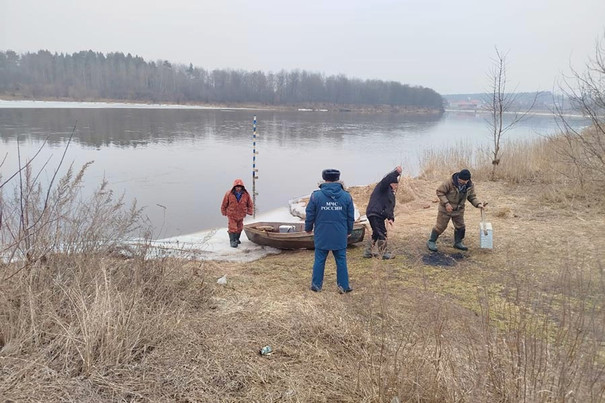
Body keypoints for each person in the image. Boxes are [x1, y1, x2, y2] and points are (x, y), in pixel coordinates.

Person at [305, 169, 355, 293]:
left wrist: (308, 228)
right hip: (340, 233)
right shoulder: (346, 196)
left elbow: (310, 214)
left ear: (324, 178)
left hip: (322, 233)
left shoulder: (316, 196)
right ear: (338, 179)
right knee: (341, 260)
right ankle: (343, 286)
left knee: (319, 259)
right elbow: (350, 217)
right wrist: (349, 230)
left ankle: (316, 286)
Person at [426, 169, 484, 252]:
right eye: (462, 181)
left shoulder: (470, 185)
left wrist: (478, 204)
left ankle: (458, 242)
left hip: (459, 210)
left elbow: (472, 197)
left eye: (466, 181)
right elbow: (440, 192)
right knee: (440, 227)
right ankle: (431, 241)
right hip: (445, 209)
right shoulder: (449, 182)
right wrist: (446, 203)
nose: (464, 183)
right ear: (459, 178)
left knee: (461, 227)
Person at [363, 166, 402, 260]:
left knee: (376, 233)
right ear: (391, 183)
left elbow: (389, 207)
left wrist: (390, 218)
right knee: (382, 232)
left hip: (378, 214)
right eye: (395, 185)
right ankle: (384, 253)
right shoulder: (383, 187)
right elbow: (386, 179)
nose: (396, 187)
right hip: (375, 213)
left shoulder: (390, 194)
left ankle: (368, 252)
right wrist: (396, 172)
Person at [221, 178, 254, 248]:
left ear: (242, 187)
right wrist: (223, 211)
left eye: (239, 187)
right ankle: (232, 241)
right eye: (237, 187)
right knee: (232, 228)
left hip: (241, 214)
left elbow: (250, 203)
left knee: (240, 228)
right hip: (232, 214)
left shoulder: (246, 194)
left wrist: (250, 211)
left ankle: (237, 239)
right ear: (234, 187)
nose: (238, 188)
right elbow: (224, 203)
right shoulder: (229, 194)